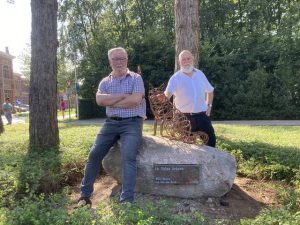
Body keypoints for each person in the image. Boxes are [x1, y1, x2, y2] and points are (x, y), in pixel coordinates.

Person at [77, 47, 146, 207]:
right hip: (110, 123)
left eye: (122, 58)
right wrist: (123, 96)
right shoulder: (105, 82)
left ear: (127, 60)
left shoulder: (136, 78)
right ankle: (84, 196)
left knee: (128, 156)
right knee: (94, 155)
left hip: (132, 122)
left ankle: (126, 199)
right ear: (110, 62)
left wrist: (112, 101)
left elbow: (135, 100)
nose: (119, 62)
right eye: (115, 59)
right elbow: (100, 101)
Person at [159, 50, 216, 147]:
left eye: (188, 58)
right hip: (183, 118)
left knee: (211, 142)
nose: (186, 61)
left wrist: (209, 105)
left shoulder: (200, 74)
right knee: (186, 148)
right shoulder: (175, 78)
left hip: (202, 116)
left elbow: (210, 91)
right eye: (183, 59)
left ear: (193, 59)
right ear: (179, 62)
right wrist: (162, 98)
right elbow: (167, 95)